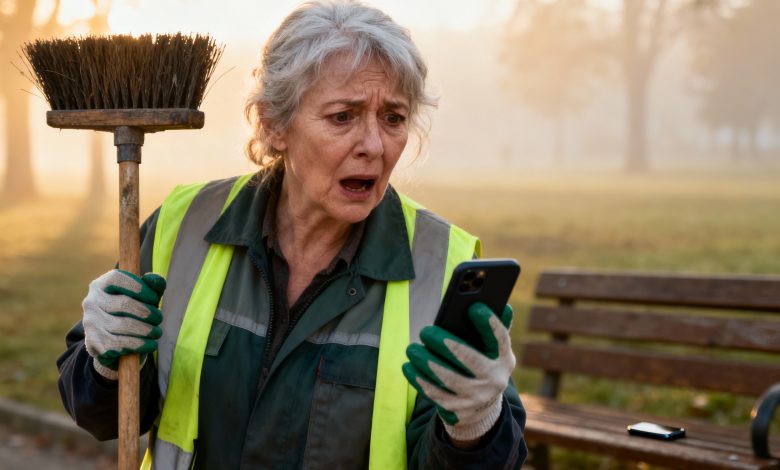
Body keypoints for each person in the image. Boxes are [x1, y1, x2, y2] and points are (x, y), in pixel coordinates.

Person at [56, 1, 527, 468]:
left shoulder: (442, 263)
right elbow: (99, 416)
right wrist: (102, 360)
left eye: (394, 118)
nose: (374, 145)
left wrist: (475, 423)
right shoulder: (184, 225)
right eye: (343, 116)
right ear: (273, 124)